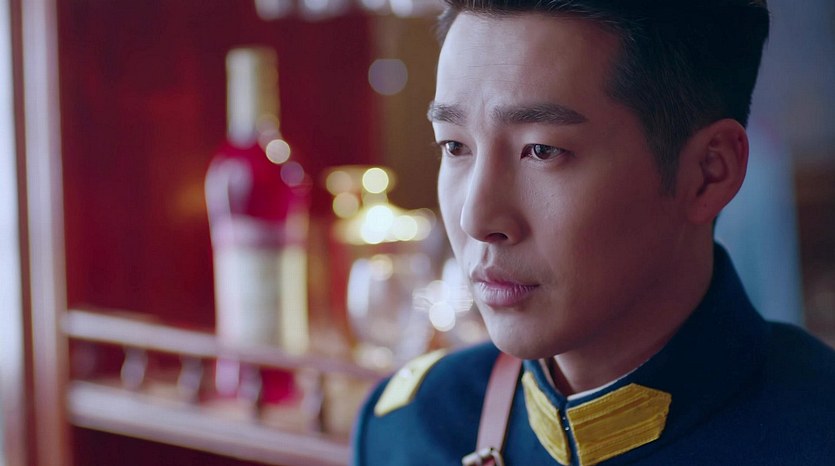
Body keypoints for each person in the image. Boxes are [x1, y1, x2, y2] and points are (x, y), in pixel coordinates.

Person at [352, 0, 835, 464]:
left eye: (542, 151)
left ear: (709, 172)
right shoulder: (412, 431)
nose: (476, 219)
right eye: (454, 146)